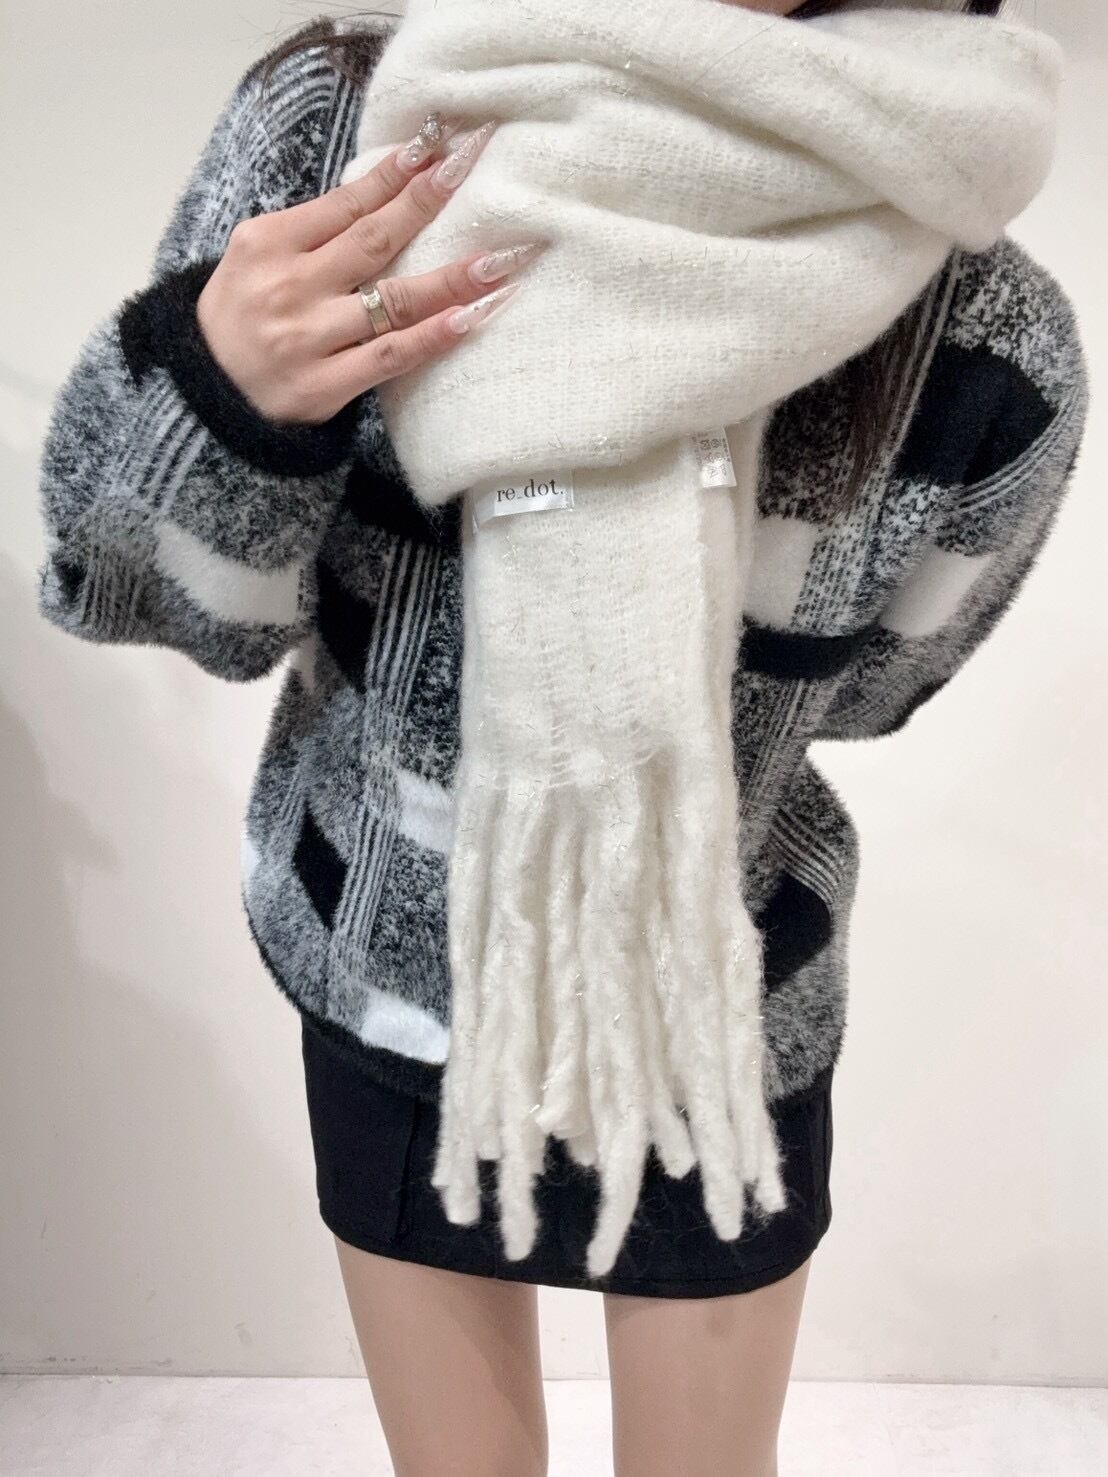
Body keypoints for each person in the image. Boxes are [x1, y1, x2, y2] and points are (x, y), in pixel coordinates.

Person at [35, 2, 1088, 1473]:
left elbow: (883, 692)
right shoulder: (350, 135)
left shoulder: (983, 328)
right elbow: (156, 602)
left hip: (713, 1027)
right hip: (390, 986)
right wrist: (223, 391)